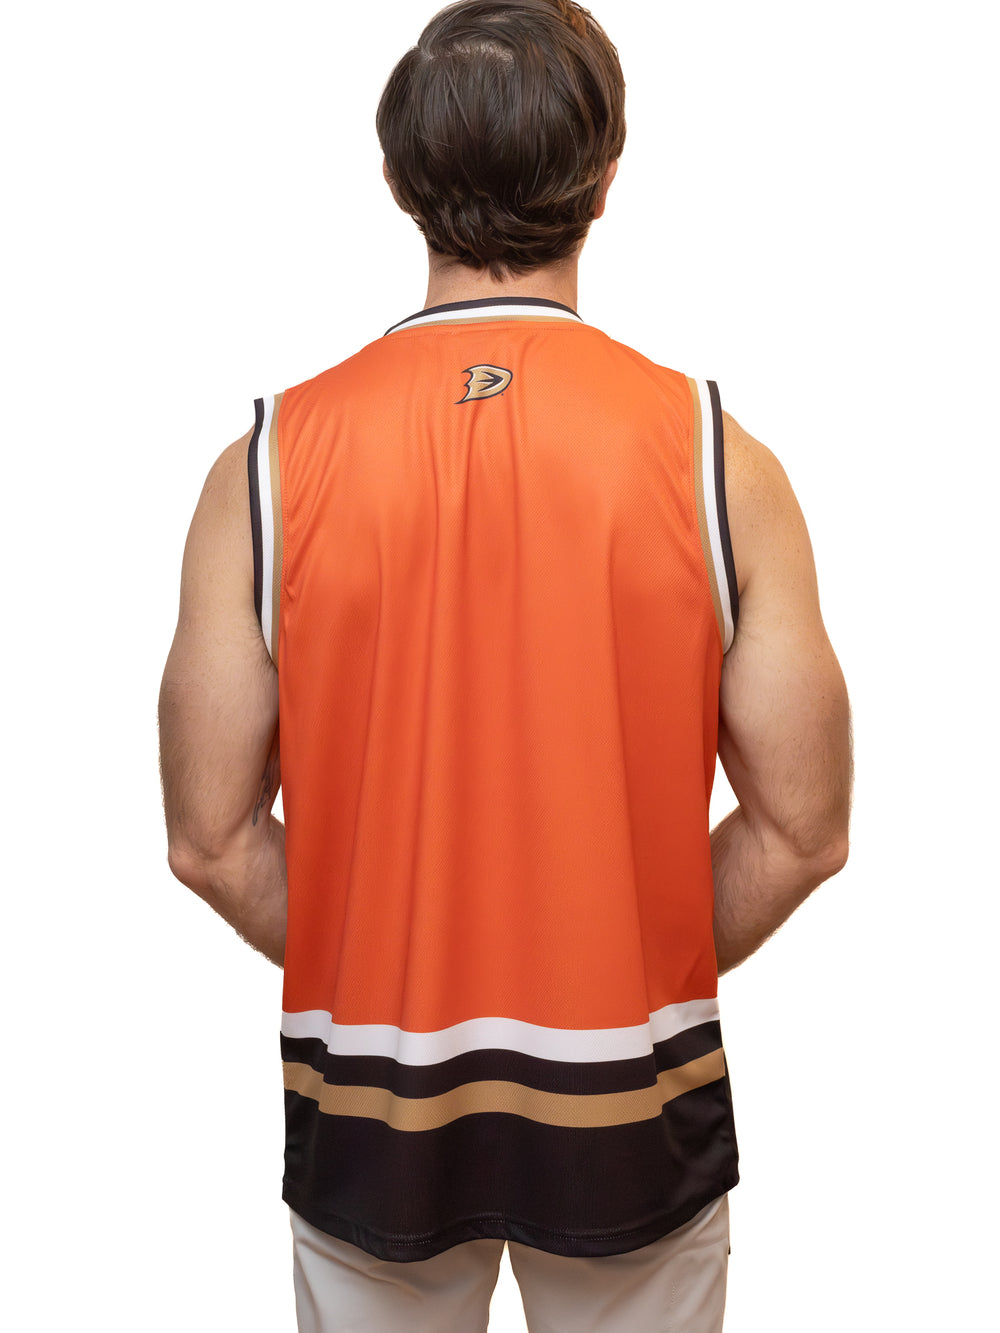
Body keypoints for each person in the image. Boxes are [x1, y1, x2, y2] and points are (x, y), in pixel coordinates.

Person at [158, 2, 852, 1329]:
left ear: (395, 179)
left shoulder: (260, 473)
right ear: (607, 175)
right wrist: (615, 961)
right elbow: (804, 828)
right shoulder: (723, 463)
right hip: (632, 1106)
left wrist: (395, 965)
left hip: (371, 1105)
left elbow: (209, 838)